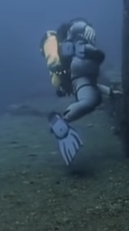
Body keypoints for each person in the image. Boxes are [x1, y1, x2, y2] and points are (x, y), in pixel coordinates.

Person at [39, 18, 114, 166]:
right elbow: (74, 27)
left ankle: (62, 121)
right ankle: (63, 120)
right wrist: (85, 26)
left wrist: (110, 92)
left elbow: (91, 87)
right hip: (79, 71)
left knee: (93, 99)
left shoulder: (69, 55)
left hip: (79, 75)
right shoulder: (73, 39)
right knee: (90, 100)